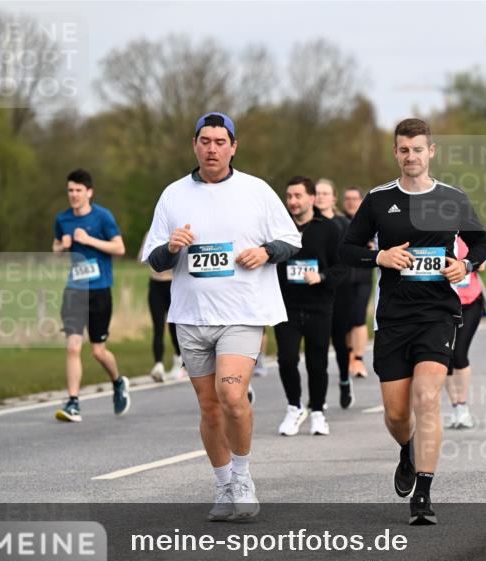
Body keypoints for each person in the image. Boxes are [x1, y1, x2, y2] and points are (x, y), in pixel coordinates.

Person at [140, 112, 301, 521]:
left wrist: (266, 252)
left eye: (220, 141)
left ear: (234, 146)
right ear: (194, 144)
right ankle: (224, 483)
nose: (212, 149)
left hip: (242, 313)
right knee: (209, 407)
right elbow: (153, 259)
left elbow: (291, 240)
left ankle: (244, 477)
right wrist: (171, 248)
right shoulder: (173, 195)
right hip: (191, 317)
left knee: (232, 396)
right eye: (205, 141)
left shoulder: (256, 190)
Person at [340, 118, 486, 525]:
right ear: (396, 152)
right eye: (404, 150)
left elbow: (482, 242)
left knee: (427, 398)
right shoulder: (378, 200)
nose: (411, 156)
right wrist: (380, 257)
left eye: (418, 149)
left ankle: (422, 494)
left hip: (438, 314)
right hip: (392, 317)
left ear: (431, 152)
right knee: (396, 415)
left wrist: (465, 265)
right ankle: (407, 451)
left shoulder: (452, 198)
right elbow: (348, 248)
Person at [52, 168, 130, 422]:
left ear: (89, 192)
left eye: (78, 191)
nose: (73, 195)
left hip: (99, 290)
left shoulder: (103, 217)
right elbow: (55, 249)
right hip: (74, 290)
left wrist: (89, 240)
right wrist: (61, 247)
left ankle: (118, 382)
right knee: (73, 346)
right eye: (70, 191)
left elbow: (119, 248)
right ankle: (73, 402)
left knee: (98, 351)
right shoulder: (62, 219)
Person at [276, 177, 349, 436]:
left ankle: (318, 412)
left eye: (298, 196)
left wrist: (322, 277)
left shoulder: (328, 229)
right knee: (286, 359)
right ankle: (294, 407)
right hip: (286, 307)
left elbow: (343, 267)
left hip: (319, 305)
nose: (293, 201)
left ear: (311, 198)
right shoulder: (278, 227)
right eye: (289, 196)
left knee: (317, 363)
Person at [315, 178, 354, 408]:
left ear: (333, 198)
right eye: (317, 193)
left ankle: (344, 379)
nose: (320, 197)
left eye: (324, 193)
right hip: (314, 289)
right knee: (317, 342)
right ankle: (317, 392)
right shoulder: (307, 224)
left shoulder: (342, 224)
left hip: (340, 289)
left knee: (339, 340)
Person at [447, 236, 486, 429]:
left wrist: (471, 263)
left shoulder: (468, 236)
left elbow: (483, 262)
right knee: (444, 359)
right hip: (444, 305)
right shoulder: (436, 236)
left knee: (459, 354)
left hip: (470, 303)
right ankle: (455, 406)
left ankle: (463, 407)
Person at [342, 186, 372, 378]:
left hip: (363, 277)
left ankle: (359, 360)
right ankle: (350, 357)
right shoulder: (338, 222)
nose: (351, 202)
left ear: (361, 201)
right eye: (347, 199)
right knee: (345, 321)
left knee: (359, 318)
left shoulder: (370, 221)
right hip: (343, 279)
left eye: (355, 198)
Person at [145, 266, 185, 382]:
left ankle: (179, 360)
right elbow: (142, 259)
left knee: (173, 326)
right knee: (158, 328)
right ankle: (158, 364)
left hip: (173, 284)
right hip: (156, 284)